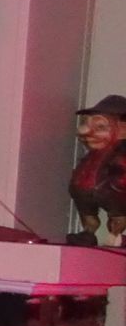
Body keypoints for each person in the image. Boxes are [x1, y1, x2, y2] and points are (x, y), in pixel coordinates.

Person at [69, 94, 126, 245]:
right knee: (86, 208)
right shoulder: (92, 157)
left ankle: (115, 236)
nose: (86, 132)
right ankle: (88, 232)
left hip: (114, 190)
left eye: (100, 127)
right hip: (86, 189)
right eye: (86, 124)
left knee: (119, 213)